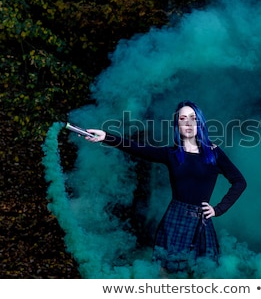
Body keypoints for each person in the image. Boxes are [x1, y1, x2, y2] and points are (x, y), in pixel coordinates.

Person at [84, 100, 247, 275]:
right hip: (174, 220)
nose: (189, 123)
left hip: (201, 221)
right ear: (177, 125)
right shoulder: (171, 154)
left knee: (203, 274)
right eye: (183, 118)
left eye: (193, 118)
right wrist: (105, 137)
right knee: (166, 274)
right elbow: (136, 148)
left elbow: (239, 181)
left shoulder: (214, 153)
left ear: (200, 122)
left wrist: (218, 209)